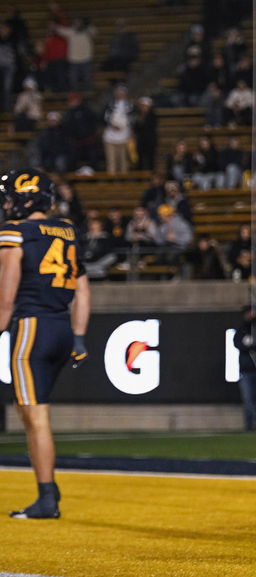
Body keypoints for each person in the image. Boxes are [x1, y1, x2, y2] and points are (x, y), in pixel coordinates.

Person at [1, 170, 90, 519]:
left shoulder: (14, 232)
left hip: (31, 329)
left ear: (26, 197)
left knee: (36, 417)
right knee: (31, 411)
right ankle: (48, 486)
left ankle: (46, 499)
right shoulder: (66, 229)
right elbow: (83, 290)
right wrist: (79, 336)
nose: (7, 203)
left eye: (10, 196)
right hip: (62, 329)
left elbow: (5, 300)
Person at [233, 305, 256, 431]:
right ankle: (249, 424)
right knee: (248, 398)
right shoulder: (242, 328)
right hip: (245, 371)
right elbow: (237, 343)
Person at [102, 84, 135, 175]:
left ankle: (124, 181)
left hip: (124, 136)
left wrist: (131, 132)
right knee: (111, 160)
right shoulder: (110, 105)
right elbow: (105, 117)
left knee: (124, 160)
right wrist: (112, 125)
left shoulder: (130, 106)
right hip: (110, 136)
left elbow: (132, 120)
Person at [134, 96, 159, 171]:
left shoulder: (153, 116)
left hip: (150, 141)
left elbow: (151, 127)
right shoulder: (137, 115)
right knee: (140, 160)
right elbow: (136, 128)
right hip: (141, 141)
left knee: (151, 160)